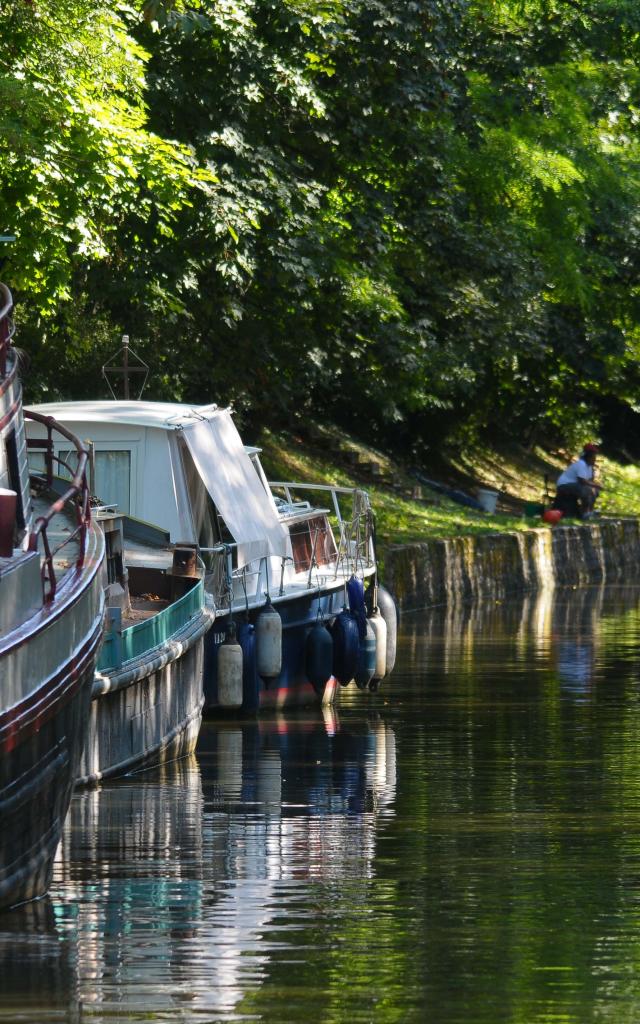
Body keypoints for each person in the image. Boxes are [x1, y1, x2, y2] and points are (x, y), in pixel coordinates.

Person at [553, 443, 601, 519]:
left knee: (595, 491)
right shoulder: (581, 464)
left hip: (576, 485)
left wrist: (595, 487)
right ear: (588, 456)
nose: (595, 458)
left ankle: (589, 512)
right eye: (593, 456)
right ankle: (584, 513)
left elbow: (589, 481)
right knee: (587, 490)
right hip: (564, 485)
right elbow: (582, 481)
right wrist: (595, 485)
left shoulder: (589, 467)